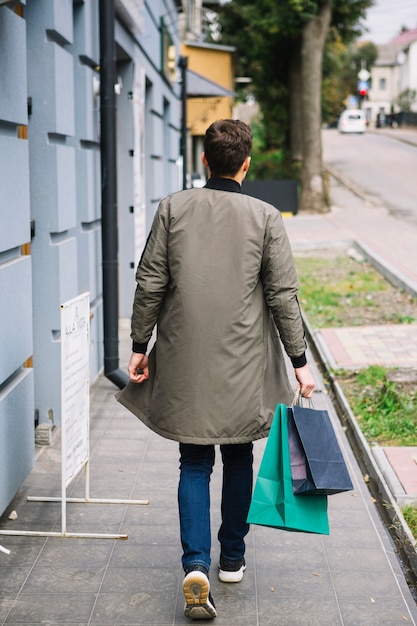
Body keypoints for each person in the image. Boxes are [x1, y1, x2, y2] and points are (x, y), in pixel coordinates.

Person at [118, 119, 315, 620]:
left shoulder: (172, 209)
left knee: (194, 461)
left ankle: (195, 564)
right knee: (240, 457)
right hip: (246, 362)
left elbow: (149, 283)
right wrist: (299, 363)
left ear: (205, 160)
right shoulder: (266, 217)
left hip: (186, 360)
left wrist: (140, 345)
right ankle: (232, 558)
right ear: (245, 164)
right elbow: (283, 297)